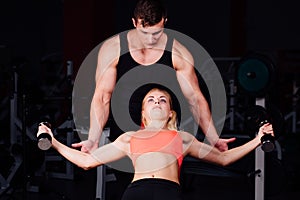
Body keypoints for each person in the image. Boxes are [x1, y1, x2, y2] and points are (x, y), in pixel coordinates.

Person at [38, 87, 274, 200]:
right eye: (150, 99)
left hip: (168, 193)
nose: (157, 101)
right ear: (144, 113)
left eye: (163, 99)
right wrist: (55, 142)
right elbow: (87, 162)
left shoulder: (182, 138)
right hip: (135, 193)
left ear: (170, 113)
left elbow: (223, 159)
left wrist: (257, 139)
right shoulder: (129, 138)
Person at [72, 0, 235, 153]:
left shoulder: (178, 52)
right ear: (134, 23)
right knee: (131, 181)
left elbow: (195, 99)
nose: (150, 40)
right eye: (144, 33)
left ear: (165, 21)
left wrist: (213, 138)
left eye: (156, 33)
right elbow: (102, 97)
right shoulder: (113, 49)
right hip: (124, 131)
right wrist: (93, 138)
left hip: (164, 130)